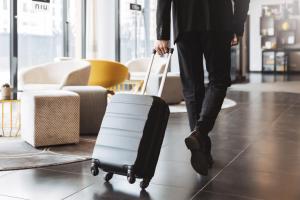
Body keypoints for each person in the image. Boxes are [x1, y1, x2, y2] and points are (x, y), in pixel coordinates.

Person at [155, 0, 250, 176]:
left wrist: (162, 32)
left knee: (192, 87)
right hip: (218, 20)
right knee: (219, 81)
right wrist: (237, 26)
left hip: (185, 22)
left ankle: (202, 149)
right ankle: (200, 134)